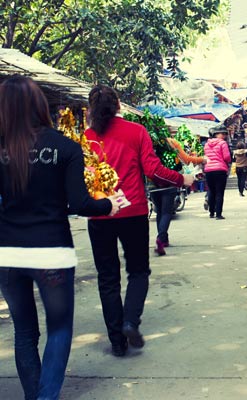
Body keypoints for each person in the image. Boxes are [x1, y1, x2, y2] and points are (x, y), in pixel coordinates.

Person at [0, 75, 122, 400]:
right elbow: (80, 204)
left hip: (7, 254)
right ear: (40, 105)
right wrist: (109, 204)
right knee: (60, 328)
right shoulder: (64, 147)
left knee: (24, 331)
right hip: (52, 252)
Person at [84, 85, 194, 357]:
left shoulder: (87, 137)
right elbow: (154, 170)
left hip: (99, 214)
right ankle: (130, 322)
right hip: (132, 213)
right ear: (119, 104)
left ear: (91, 108)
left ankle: (117, 342)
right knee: (138, 271)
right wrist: (183, 179)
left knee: (107, 277)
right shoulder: (136, 132)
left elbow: (83, 176)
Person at [204, 129, 231, 219]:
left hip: (208, 170)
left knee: (211, 191)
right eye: (222, 134)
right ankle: (218, 214)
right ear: (216, 134)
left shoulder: (207, 144)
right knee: (219, 192)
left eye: (225, 134)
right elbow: (226, 157)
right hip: (220, 169)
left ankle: (211, 212)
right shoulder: (223, 143)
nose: (224, 135)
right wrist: (227, 162)